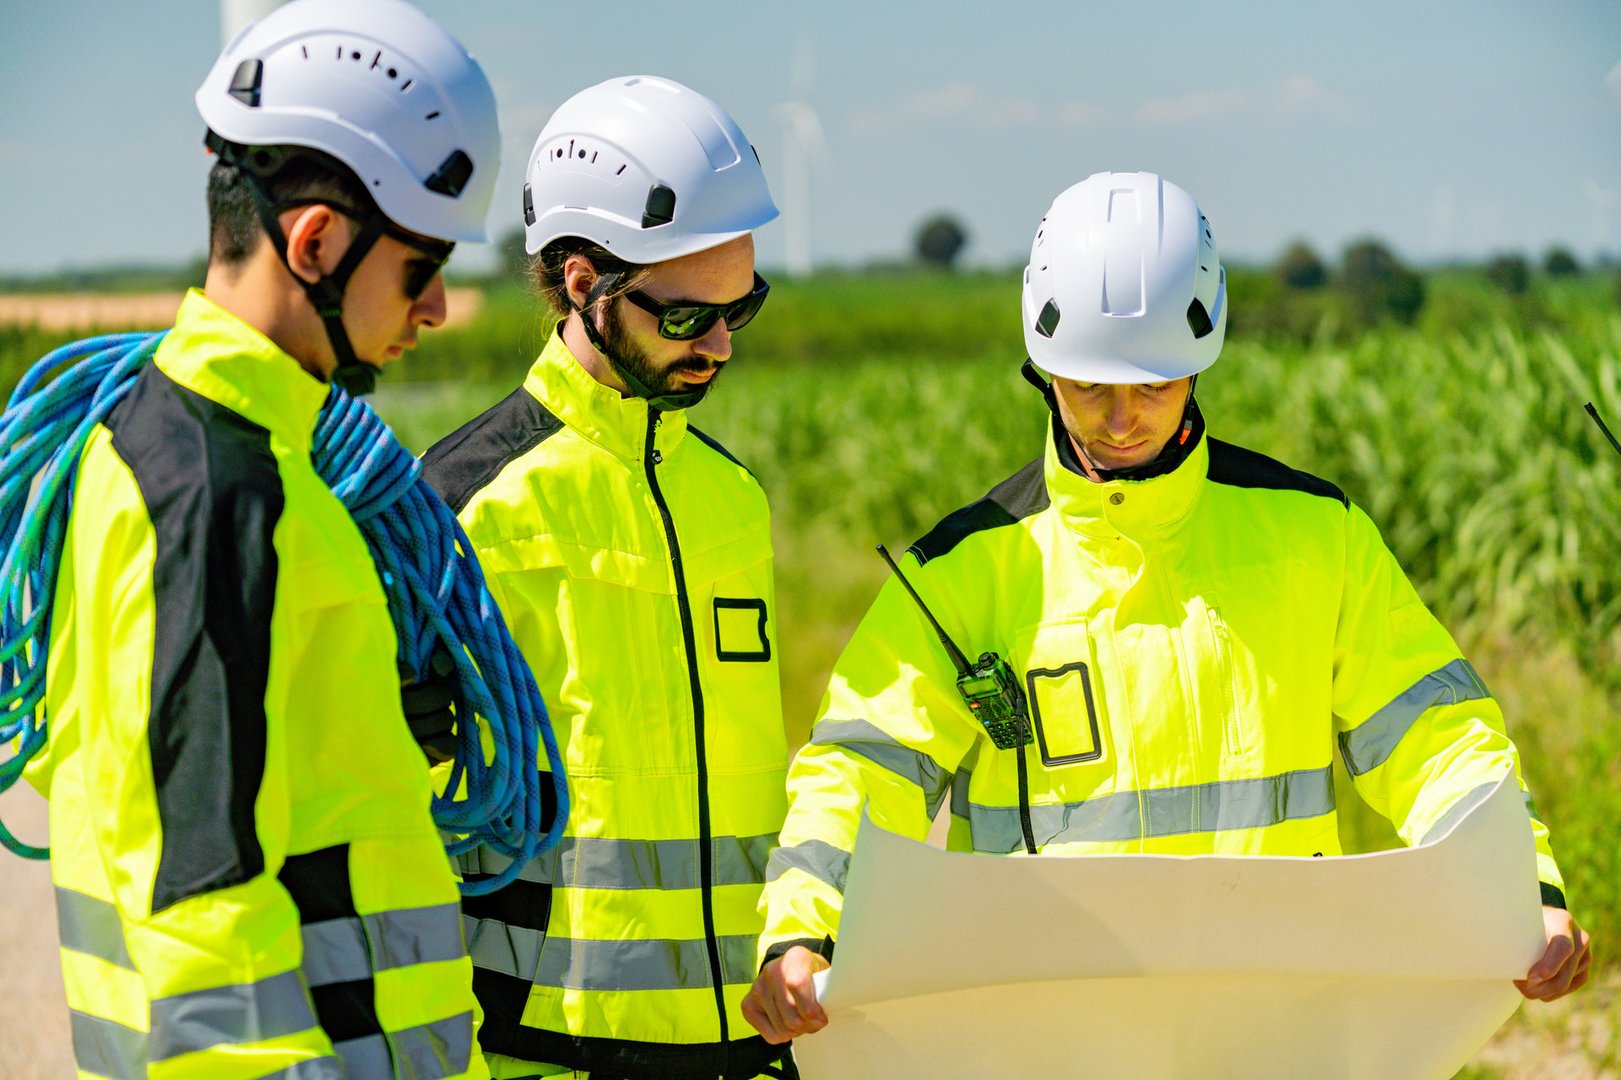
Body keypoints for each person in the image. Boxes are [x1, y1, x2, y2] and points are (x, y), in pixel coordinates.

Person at [743, 171, 1593, 1045]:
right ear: (1040, 367)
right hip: (1054, 1040)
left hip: (1279, 1029)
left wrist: (1524, 893)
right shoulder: (960, 571)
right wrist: (802, 932)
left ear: (1200, 353)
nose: (1119, 421)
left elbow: (1435, 737)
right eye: (1086, 388)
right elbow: (861, 768)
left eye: (1151, 387)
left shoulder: (1314, 536)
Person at [30, 1, 502, 1074]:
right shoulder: (215, 489)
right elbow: (202, 900)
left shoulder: (203, 453)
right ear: (319, 241)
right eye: (420, 266)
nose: (432, 309)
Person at [420, 76, 793, 1079]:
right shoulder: (461, 502)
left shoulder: (732, 499)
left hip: (747, 1042)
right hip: (546, 1047)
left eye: (741, 308)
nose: (718, 345)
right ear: (584, 281)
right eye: (686, 318)